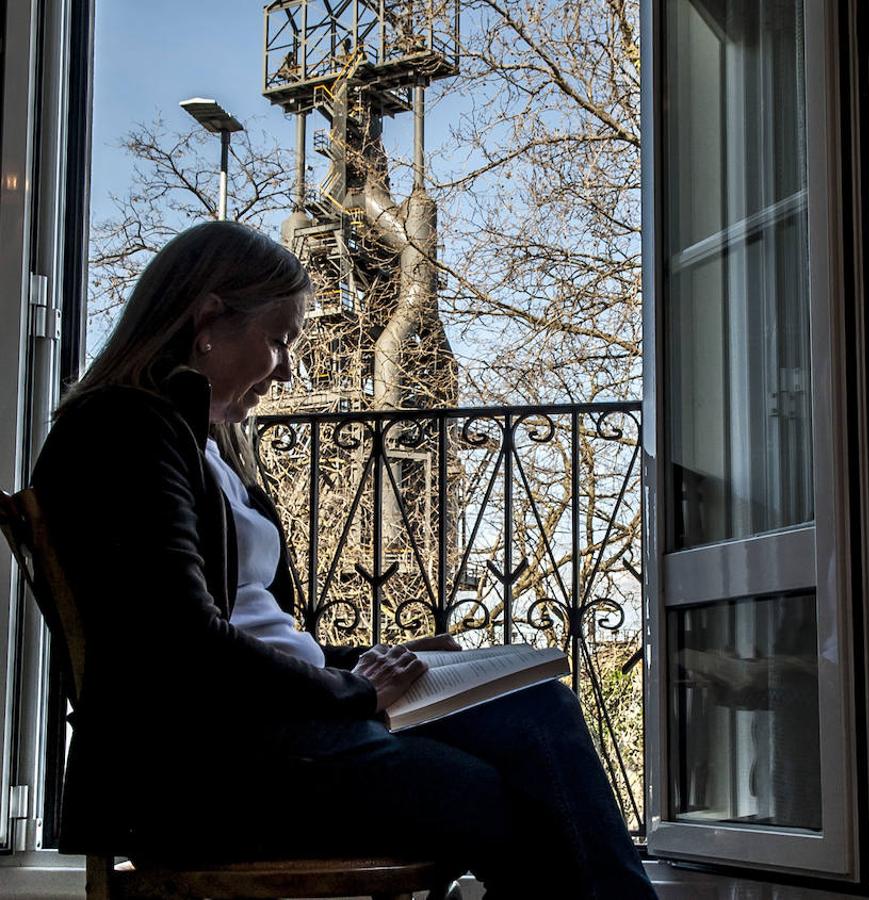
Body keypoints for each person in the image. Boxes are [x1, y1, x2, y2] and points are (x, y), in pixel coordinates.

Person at [31, 221, 657, 899]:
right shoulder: (121, 429)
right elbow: (182, 642)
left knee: (534, 703)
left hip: (271, 733)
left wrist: (363, 659)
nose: (288, 368)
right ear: (208, 317)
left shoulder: (195, 440)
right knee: (502, 779)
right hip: (214, 768)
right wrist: (355, 689)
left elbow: (247, 627)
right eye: (277, 340)